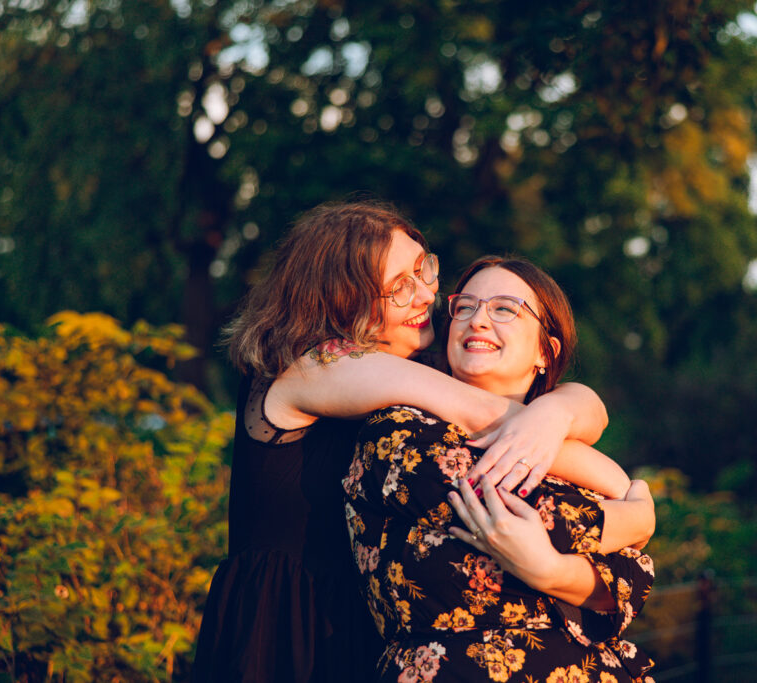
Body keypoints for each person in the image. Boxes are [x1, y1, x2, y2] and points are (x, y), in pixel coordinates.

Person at [191, 201, 639, 683]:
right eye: (400, 285)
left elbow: (579, 407)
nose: (427, 293)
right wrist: (631, 504)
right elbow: (485, 414)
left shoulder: (406, 377)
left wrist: (561, 407)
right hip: (287, 629)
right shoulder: (319, 366)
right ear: (344, 297)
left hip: (361, 622)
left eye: (425, 269)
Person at [343, 255, 656, 683]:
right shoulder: (400, 427)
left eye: (505, 308)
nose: (478, 320)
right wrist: (635, 514)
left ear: (546, 351)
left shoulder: (569, 450)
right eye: (466, 306)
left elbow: (633, 578)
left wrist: (548, 568)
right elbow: (517, 511)